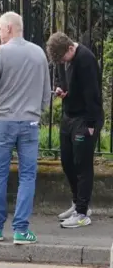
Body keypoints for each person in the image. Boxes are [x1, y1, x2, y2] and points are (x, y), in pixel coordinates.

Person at [0, 12, 51, 244]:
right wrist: (37, 112)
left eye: (1, 27)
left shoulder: (0, 53)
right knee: (27, 175)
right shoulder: (38, 53)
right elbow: (46, 92)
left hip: (3, 119)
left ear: (10, 28)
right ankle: (21, 229)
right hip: (30, 120)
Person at [46, 32, 102, 229]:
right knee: (67, 160)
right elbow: (64, 81)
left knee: (82, 163)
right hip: (69, 115)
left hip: (86, 117)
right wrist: (61, 89)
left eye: (63, 59)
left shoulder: (85, 60)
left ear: (70, 48)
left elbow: (92, 93)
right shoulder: (62, 58)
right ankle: (77, 202)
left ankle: (82, 212)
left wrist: (90, 124)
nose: (62, 63)